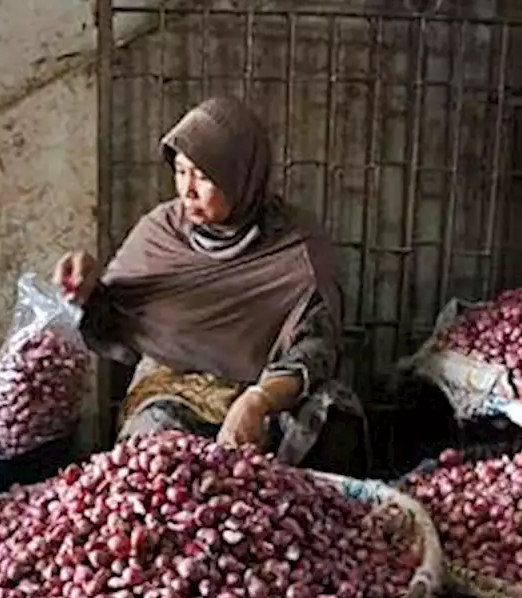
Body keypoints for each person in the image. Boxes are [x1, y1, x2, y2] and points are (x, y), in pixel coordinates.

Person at [54, 95, 367, 474]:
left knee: (335, 415)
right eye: (181, 171)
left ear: (242, 178)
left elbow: (317, 346)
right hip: (177, 387)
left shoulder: (297, 245)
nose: (187, 190)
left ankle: (304, 525)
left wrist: (258, 400)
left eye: (203, 177)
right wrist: (86, 292)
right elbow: (113, 317)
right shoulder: (161, 231)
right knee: (155, 452)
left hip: (267, 391)